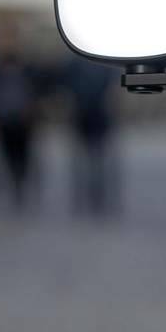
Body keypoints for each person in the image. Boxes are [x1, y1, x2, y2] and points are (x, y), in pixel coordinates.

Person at [0, 45, 40, 211]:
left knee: (20, 158)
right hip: (6, 123)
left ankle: (19, 185)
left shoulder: (25, 75)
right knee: (9, 158)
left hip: (20, 124)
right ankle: (14, 186)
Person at [64, 56, 120, 216]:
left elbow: (113, 90)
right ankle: (85, 197)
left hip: (99, 119)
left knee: (99, 164)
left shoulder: (106, 62)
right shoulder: (75, 64)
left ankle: (97, 197)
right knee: (83, 164)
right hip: (82, 118)